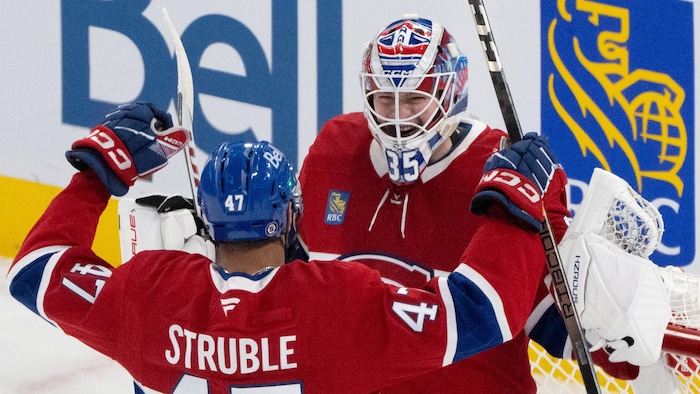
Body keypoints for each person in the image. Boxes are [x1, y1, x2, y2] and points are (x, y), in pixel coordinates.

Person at [8, 102, 563, 393]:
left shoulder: (153, 292)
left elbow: (32, 271)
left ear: (207, 220)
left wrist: (98, 175)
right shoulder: (335, 306)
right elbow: (476, 313)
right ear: (291, 216)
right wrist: (512, 213)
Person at [296, 15, 648, 392]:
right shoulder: (334, 151)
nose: (398, 120)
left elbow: (565, 328)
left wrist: (614, 305)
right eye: (386, 100)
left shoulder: (511, 176)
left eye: (415, 100)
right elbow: (289, 292)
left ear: (449, 98)